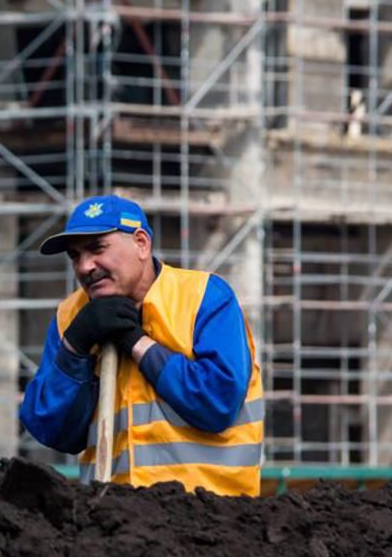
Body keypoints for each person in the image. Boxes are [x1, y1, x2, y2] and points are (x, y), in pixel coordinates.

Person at [18, 195, 263, 496]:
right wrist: (74, 348)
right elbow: (51, 430)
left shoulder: (204, 298)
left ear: (141, 244)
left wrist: (137, 343)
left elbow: (217, 403)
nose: (84, 267)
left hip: (211, 517)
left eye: (97, 248)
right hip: (113, 520)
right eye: (74, 256)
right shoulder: (70, 319)